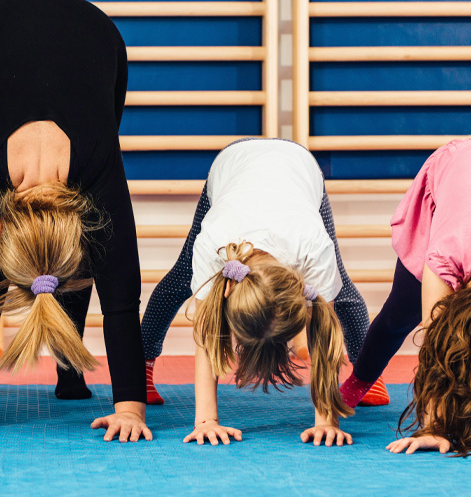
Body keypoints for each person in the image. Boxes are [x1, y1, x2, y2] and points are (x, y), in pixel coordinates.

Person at [0, 0, 150, 443]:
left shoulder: (98, 159)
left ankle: (65, 372)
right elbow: (120, 303)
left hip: (97, 36)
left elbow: (122, 298)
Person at [141, 138, 380, 447]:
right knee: (179, 281)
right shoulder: (214, 242)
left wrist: (326, 420)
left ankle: (368, 375)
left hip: (299, 168)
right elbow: (205, 333)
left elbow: (324, 333)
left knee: (341, 290)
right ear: (228, 288)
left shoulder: (313, 245)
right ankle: (142, 365)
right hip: (234, 165)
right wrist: (205, 421)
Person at [335, 137, 471, 457]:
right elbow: (433, 351)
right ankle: (359, 382)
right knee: (400, 313)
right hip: (454, 167)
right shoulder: (442, 260)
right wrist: (433, 427)